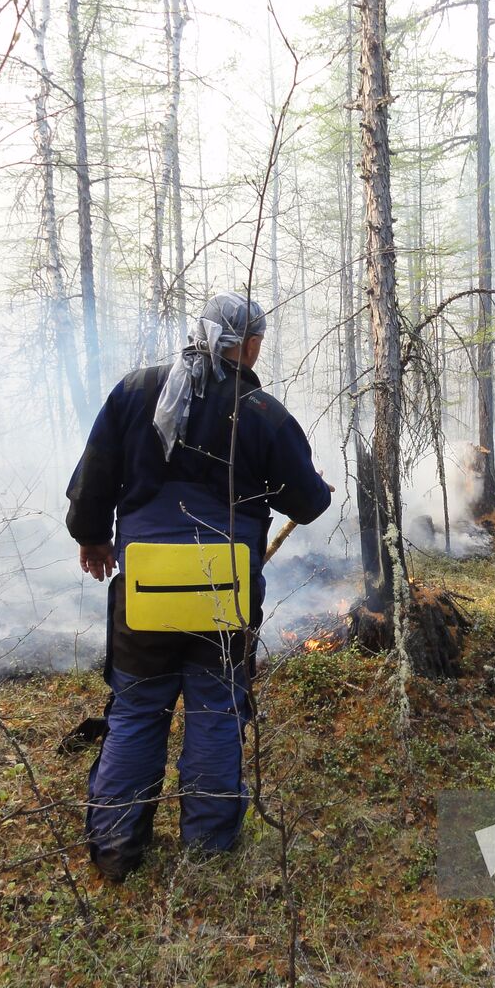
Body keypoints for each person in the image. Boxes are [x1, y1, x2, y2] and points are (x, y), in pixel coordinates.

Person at [66, 291, 332, 881]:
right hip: (225, 594)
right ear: (252, 343)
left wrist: (92, 537)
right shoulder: (261, 411)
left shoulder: (136, 390)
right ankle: (208, 853)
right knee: (215, 708)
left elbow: (95, 477)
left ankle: (114, 852)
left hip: (145, 590)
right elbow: (307, 503)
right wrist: (316, 490)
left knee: (136, 711)